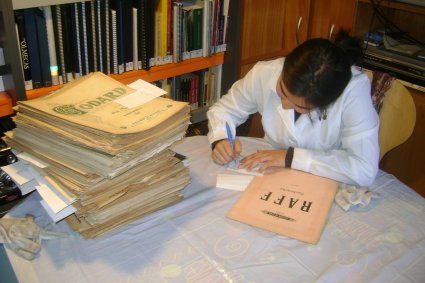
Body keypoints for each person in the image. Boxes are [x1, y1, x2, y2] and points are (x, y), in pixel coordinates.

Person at [207, 31, 380, 187]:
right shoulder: (264, 73)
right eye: (282, 91)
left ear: (326, 103)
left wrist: (291, 157)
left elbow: (363, 168)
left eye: (300, 106)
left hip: (326, 179)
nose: (284, 105)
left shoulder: (353, 92)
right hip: (269, 174)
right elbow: (224, 110)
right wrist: (220, 138)